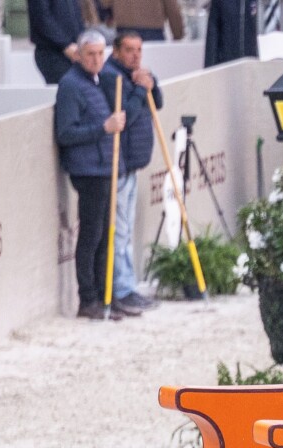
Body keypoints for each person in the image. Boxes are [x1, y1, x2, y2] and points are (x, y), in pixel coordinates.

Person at [54, 29, 132, 320]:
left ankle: (103, 296)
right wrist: (103, 128)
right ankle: (88, 299)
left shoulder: (97, 81)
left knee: (104, 235)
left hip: (103, 167)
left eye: (101, 54)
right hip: (89, 171)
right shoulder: (71, 85)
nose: (97, 59)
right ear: (79, 55)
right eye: (91, 54)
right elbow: (65, 133)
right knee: (91, 235)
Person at [107, 29, 162, 312]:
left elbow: (158, 104)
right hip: (121, 163)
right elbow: (124, 116)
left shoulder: (136, 74)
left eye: (139, 50)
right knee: (121, 231)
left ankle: (128, 285)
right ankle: (122, 288)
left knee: (126, 231)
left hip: (134, 163)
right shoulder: (110, 76)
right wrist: (140, 88)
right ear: (116, 51)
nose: (135, 55)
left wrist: (151, 83)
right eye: (129, 50)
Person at [28, 0, 89, 84]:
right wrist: (65, 45)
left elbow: (76, 16)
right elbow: (41, 18)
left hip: (75, 49)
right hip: (52, 51)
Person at [112, 0, 184, 40]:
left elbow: (105, 4)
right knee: (155, 63)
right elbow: (173, 10)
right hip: (153, 31)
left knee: (123, 65)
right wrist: (178, 34)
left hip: (124, 29)